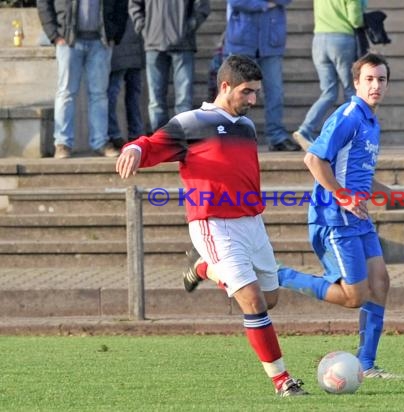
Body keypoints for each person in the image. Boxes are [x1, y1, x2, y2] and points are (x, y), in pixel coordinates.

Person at [115, 55, 307, 397]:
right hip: (214, 224)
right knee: (252, 301)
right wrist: (133, 147)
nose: (253, 100)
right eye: (247, 92)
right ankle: (283, 380)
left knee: (270, 298)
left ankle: (203, 267)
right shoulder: (192, 122)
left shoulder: (245, 126)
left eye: (256, 93)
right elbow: (152, 143)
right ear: (225, 86)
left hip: (252, 224)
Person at [279, 53, 404, 379]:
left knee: (381, 283)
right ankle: (277, 274)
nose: (376, 85)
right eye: (369, 79)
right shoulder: (348, 116)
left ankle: (366, 364)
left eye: (381, 79)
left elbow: (356, 171)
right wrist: (341, 194)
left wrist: (387, 192)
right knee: (354, 297)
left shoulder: (371, 121)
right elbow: (313, 160)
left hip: (358, 217)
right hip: (334, 218)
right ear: (356, 83)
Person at [37, 0, 128, 159]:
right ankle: (62, 143)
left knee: (99, 95)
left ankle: (100, 142)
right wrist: (54, 34)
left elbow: (122, 5)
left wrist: (115, 34)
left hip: (101, 41)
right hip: (68, 41)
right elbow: (44, 3)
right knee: (66, 93)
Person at [225, 0, 301, 152]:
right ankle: (237, 135)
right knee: (238, 91)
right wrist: (264, 4)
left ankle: (276, 137)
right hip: (243, 41)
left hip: (271, 41)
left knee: (275, 92)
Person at [292, 0, 364, 151]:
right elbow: (355, 20)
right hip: (342, 39)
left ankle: (305, 129)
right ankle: (358, 135)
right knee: (350, 90)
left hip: (319, 41)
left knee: (329, 92)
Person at [129, 0, 210, 132]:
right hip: (153, 43)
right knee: (156, 100)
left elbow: (202, 7)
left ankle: (182, 138)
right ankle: (160, 140)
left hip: (183, 45)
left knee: (184, 100)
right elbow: (134, 5)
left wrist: (188, 27)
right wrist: (144, 29)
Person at [107, 16, 145, 148]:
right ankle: (132, 133)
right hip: (121, 43)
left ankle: (118, 134)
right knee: (123, 94)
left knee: (129, 94)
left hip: (128, 44)